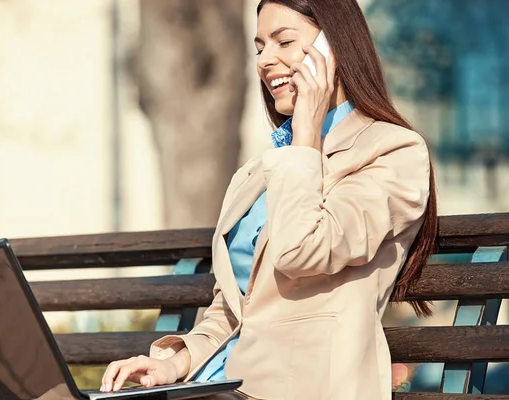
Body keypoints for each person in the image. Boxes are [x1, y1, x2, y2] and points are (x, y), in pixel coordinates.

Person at [100, 0, 437, 399]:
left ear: (334, 48)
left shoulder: (392, 152)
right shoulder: (259, 172)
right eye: (260, 47)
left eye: (284, 42)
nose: (265, 60)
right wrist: (176, 362)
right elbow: (235, 308)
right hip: (225, 386)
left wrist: (306, 138)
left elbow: (304, 252)